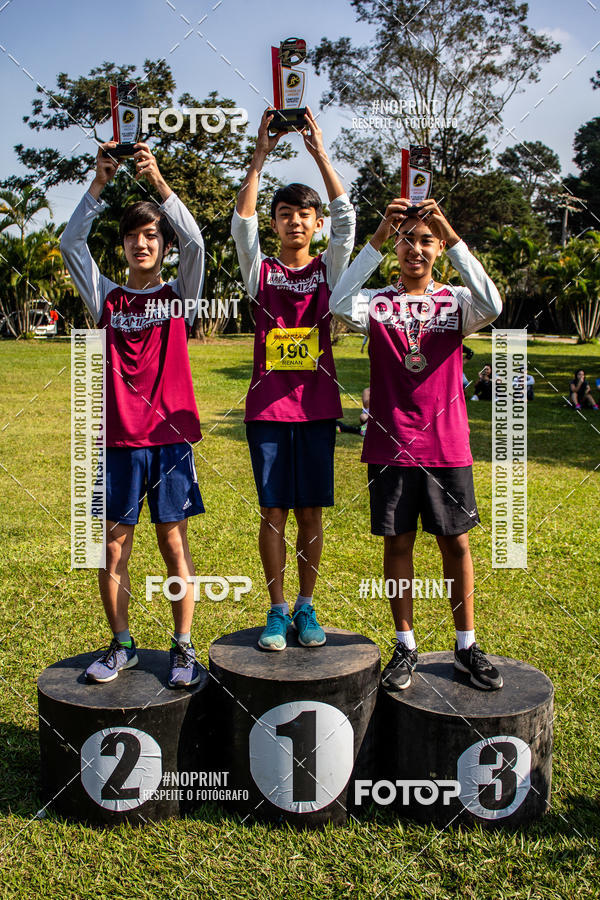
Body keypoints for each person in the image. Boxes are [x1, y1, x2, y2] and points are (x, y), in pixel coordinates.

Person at [330, 197, 504, 691]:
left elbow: (493, 303)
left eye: (426, 240)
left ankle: (466, 644)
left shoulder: (456, 302)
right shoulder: (378, 303)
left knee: (456, 542)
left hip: (447, 446)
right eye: (406, 239)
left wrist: (451, 234)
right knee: (398, 543)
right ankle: (405, 646)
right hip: (391, 445)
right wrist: (378, 236)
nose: (415, 249)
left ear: (439, 247)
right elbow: (339, 302)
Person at [60, 141, 205, 688]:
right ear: (122, 244)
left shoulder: (180, 294)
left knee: (173, 543)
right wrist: (100, 183)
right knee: (114, 545)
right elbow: (72, 239)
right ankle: (121, 644)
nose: (142, 243)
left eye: (152, 236)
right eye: (132, 236)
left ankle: (183, 647)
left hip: (169, 441)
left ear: (163, 246)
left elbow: (195, 242)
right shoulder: (105, 295)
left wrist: (160, 182)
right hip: (118, 442)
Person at [231, 108, 355, 651]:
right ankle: (277, 609)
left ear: (316, 224)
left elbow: (348, 217)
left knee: (310, 513)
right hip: (268, 413)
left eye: (304, 214)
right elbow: (240, 224)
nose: (295, 221)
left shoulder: (331, 270)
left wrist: (318, 150)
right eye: (284, 214)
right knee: (273, 512)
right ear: (276, 223)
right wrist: (260, 154)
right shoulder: (261, 274)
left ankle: (307, 606)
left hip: (318, 409)